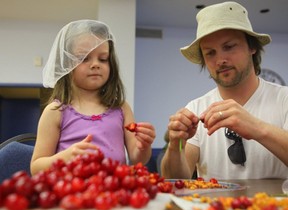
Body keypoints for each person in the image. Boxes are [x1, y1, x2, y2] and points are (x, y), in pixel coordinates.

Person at [161, 1, 288, 180]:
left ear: (252, 47)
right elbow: (175, 180)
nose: (220, 60)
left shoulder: (284, 99)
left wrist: (257, 128)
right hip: (213, 208)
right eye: (210, 53)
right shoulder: (196, 109)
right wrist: (176, 146)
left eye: (229, 47)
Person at [30, 20, 155, 175]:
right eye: (84, 58)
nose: (95, 64)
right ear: (67, 65)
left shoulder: (121, 108)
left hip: (113, 194)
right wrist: (64, 157)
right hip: (71, 195)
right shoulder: (55, 111)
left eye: (103, 59)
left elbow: (137, 159)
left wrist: (144, 146)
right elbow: (36, 167)